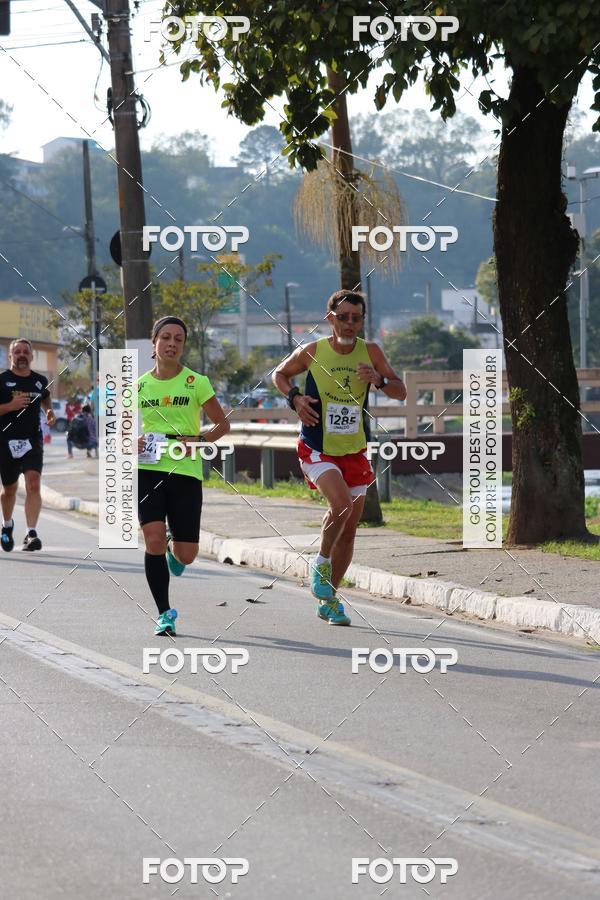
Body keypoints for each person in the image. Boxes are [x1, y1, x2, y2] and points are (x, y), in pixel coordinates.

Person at [273, 289, 406, 625]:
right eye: (343, 317)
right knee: (342, 506)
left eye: (356, 318)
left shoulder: (370, 351)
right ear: (330, 318)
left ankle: (329, 599)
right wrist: (295, 399)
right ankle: (320, 561)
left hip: (354, 450)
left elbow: (400, 391)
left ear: (362, 321)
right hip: (317, 448)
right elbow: (279, 374)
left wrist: (378, 379)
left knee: (349, 531)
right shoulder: (313, 350)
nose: (349, 324)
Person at [137, 316, 230, 636]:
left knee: (186, 555)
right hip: (148, 469)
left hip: (185, 471)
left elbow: (222, 425)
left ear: (184, 345)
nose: (172, 343)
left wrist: (200, 439)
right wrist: (128, 440)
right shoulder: (137, 386)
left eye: (178, 338)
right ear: (154, 343)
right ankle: (164, 613)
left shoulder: (196, 382)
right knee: (152, 540)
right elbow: (117, 432)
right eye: (165, 337)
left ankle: (176, 550)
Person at [0, 338, 56, 552]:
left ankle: (31, 533)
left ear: (32, 357)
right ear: (10, 356)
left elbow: (46, 397)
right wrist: (9, 406)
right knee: (9, 489)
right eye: (18, 352)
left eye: (26, 352)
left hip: (32, 441)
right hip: (5, 442)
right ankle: (7, 525)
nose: (22, 355)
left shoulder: (39, 381)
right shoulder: (2, 381)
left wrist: (48, 411)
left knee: (33, 483)